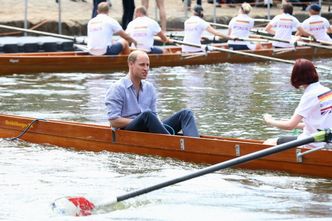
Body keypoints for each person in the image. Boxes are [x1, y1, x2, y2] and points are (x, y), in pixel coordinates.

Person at [105, 50, 199, 137]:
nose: (146, 69)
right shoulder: (117, 88)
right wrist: (142, 121)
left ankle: (195, 144)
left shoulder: (149, 87)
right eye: (142, 65)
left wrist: (155, 124)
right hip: (128, 131)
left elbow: (154, 115)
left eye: (148, 65)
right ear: (131, 64)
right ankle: (172, 142)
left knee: (186, 113)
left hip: (149, 127)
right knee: (147, 115)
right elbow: (113, 121)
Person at [263, 58, 332, 146]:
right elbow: (316, 124)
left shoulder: (309, 96)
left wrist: (270, 121)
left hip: (312, 143)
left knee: (268, 143)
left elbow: (289, 126)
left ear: (296, 76)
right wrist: (289, 123)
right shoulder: (327, 91)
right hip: (327, 142)